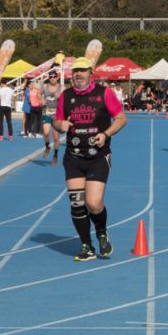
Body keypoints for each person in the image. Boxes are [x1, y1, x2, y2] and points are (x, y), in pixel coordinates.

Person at [55, 58, 127, 261]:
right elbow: (57, 120)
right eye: (75, 71)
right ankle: (86, 246)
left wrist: (106, 134)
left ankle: (102, 232)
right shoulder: (66, 96)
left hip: (98, 156)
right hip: (73, 157)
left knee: (93, 203)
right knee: (77, 204)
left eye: (82, 71)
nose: (78, 74)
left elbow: (121, 119)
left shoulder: (104, 93)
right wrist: (59, 125)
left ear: (90, 73)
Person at [40, 72, 63, 162]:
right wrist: (41, 99)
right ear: (49, 78)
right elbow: (39, 93)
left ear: (57, 78)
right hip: (47, 112)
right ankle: (47, 147)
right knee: (46, 133)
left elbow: (66, 98)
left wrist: (60, 96)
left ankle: (55, 155)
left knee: (56, 137)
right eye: (51, 77)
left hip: (57, 114)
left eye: (54, 77)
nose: (53, 78)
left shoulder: (62, 87)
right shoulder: (45, 87)